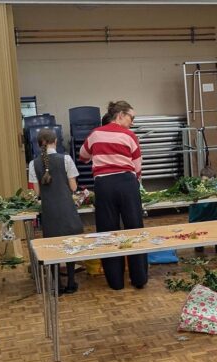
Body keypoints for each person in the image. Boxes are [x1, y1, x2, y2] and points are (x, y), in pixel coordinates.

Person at [79, 100, 148, 290]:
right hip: (127, 183)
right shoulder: (130, 136)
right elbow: (137, 167)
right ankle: (139, 278)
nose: (132, 122)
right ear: (120, 115)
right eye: (131, 118)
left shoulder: (94, 134)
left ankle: (115, 281)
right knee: (134, 229)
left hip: (104, 185)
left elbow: (82, 156)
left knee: (107, 232)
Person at [30, 128, 83, 295]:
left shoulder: (33, 164)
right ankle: (71, 282)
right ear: (56, 141)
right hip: (66, 208)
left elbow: (36, 193)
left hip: (49, 211)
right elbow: (73, 187)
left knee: (52, 247)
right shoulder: (66, 159)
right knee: (69, 244)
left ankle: (57, 285)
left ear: (39, 145)